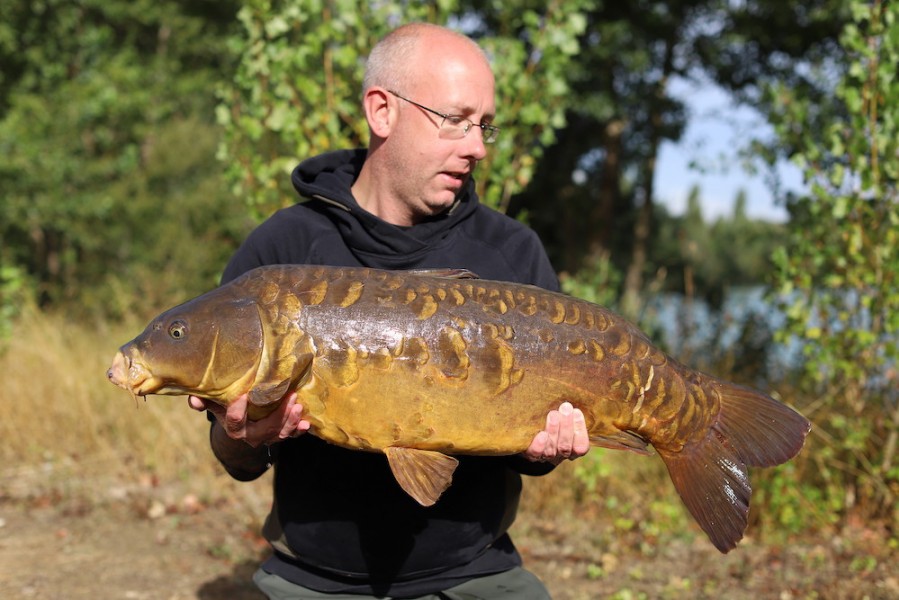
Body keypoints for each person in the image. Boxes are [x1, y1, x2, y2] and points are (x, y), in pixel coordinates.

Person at [189, 22, 590, 600]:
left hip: (476, 570)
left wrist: (545, 449)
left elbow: (535, 455)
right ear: (382, 111)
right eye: (455, 119)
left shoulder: (510, 253)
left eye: (485, 125)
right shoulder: (280, 254)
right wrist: (243, 436)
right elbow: (235, 459)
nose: (477, 146)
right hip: (313, 578)